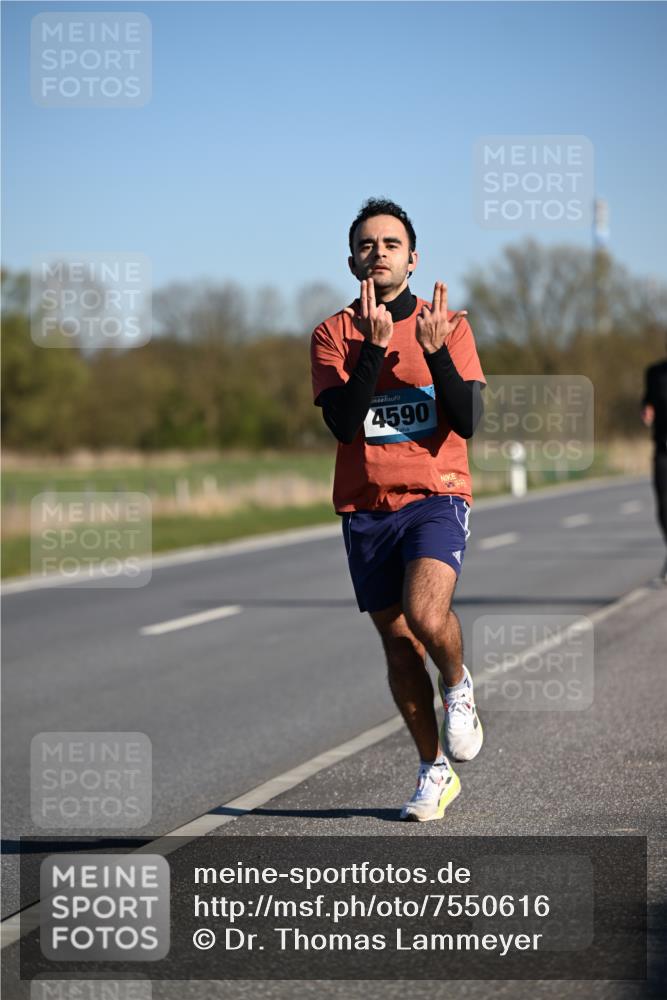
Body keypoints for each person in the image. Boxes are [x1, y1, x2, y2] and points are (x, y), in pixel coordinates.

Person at [310, 198, 486, 821]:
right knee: (398, 644)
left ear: (413, 259)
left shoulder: (448, 326)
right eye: (367, 244)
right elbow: (343, 423)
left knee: (425, 612)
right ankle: (433, 769)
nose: (378, 253)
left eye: (391, 244)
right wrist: (371, 349)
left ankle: (457, 685)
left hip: (437, 494)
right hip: (366, 508)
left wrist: (435, 353)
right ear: (352, 261)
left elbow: (468, 419)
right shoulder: (332, 334)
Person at [641, 341, 667, 580]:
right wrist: (647, 411)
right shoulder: (654, 373)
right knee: (663, 507)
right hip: (662, 448)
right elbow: (647, 401)